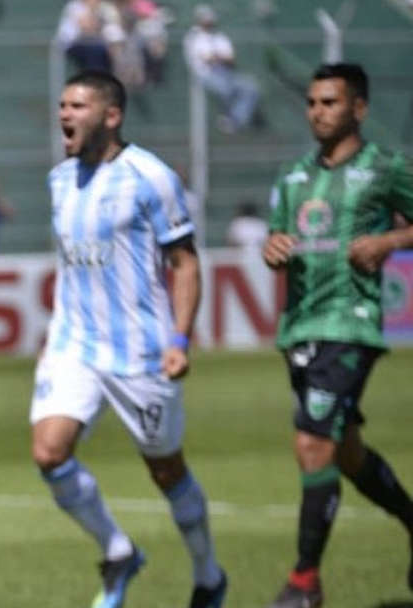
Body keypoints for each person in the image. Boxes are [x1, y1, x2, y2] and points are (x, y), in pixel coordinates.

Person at [32, 71, 226, 608]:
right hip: (74, 345)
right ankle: (118, 551)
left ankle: (209, 576)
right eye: (62, 105)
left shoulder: (151, 178)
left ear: (112, 115)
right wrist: (54, 334)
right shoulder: (59, 179)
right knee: (49, 453)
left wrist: (180, 338)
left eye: (78, 106)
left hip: (140, 354)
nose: (65, 114)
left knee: (166, 470)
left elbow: (185, 263)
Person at [262, 63, 413, 608]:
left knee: (313, 443)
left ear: (359, 109)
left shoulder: (385, 168)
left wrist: (390, 240)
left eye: (330, 102)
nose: (318, 112)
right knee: (345, 452)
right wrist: (272, 248)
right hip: (301, 326)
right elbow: (277, 237)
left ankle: (305, 582)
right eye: (312, 103)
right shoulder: (293, 177)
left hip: (350, 325)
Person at [182, 4, 259, 134]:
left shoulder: (220, 36)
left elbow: (230, 59)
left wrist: (217, 57)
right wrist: (219, 57)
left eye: (210, 19)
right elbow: (206, 59)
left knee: (251, 87)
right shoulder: (193, 36)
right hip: (205, 75)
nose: (209, 21)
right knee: (225, 88)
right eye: (205, 19)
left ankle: (235, 121)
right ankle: (227, 119)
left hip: (226, 74)